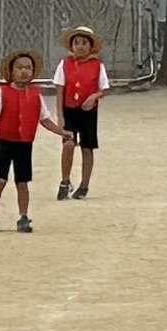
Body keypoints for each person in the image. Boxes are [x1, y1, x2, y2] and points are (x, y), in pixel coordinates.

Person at [0, 52, 44, 232]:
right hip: (4, 142)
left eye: (28, 68)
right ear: (11, 71)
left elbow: (44, 118)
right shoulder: (4, 92)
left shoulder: (35, 94)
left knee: (22, 182)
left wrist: (61, 131)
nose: (24, 72)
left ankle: (23, 216)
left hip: (24, 142)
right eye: (19, 67)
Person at [51, 26, 107, 201]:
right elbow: (60, 90)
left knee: (87, 148)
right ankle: (65, 181)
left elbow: (104, 88)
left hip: (88, 112)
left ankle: (84, 185)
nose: (80, 46)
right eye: (76, 43)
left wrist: (94, 97)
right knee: (68, 144)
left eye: (84, 43)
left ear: (91, 46)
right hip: (69, 109)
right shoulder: (65, 64)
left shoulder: (97, 66)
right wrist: (60, 116)